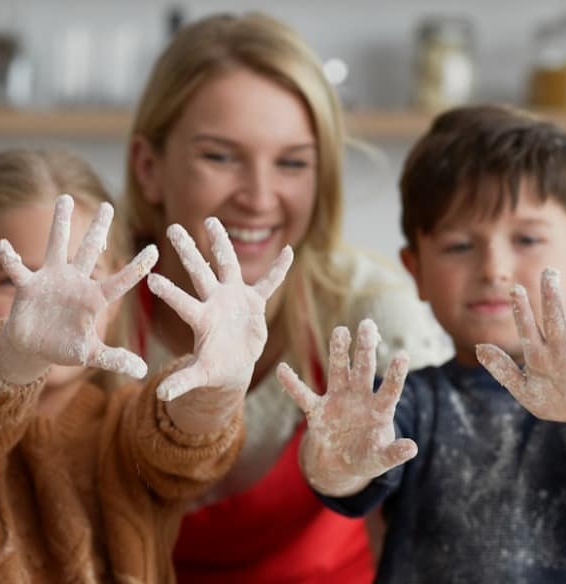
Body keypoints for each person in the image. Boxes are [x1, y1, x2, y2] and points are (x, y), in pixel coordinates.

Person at [277, 105, 566, 583]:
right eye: (459, 246)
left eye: (527, 239)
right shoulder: (409, 401)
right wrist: (335, 461)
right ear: (416, 271)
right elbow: (346, 477)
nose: (493, 269)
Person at [123, 11, 451, 582]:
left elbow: (442, 526)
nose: (258, 196)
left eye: (293, 162)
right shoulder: (99, 306)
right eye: (220, 156)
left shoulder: (371, 311)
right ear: (149, 168)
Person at [0, 148, 294, 583]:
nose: (53, 302)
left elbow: (181, 439)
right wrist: (15, 355)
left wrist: (216, 390)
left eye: (88, 275)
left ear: (117, 293)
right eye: (13, 280)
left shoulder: (126, 432)